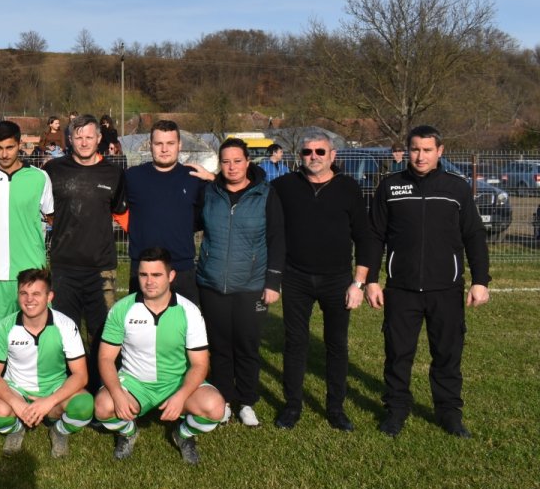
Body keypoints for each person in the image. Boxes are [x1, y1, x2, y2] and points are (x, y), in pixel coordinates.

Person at [362, 125, 490, 438]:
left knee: (447, 355)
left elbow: (473, 235)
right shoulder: (391, 187)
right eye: (415, 149)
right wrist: (372, 281)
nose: (420, 156)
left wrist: (480, 280)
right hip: (401, 290)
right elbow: (374, 236)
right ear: (408, 150)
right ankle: (396, 411)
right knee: (398, 354)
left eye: (427, 150)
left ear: (440, 152)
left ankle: (449, 414)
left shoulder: (456, 188)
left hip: (445, 288)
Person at [270, 130, 374, 432]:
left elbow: (365, 238)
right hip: (295, 277)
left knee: (336, 345)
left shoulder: (349, 188)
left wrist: (358, 283)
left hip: (338, 280)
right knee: (295, 344)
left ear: (332, 156)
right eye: (307, 152)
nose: (313, 157)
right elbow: (248, 187)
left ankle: (336, 408)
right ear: (299, 155)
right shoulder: (284, 186)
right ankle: (292, 407)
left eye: (319, 151)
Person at [94, 248, 226, 465]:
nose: (149, 281)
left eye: (156, 275)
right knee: (102, 407)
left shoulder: (189, 311)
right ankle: (128, 432)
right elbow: (106, 358)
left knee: (215, 408)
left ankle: (183, 435)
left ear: (171, 276)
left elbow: (200, 364)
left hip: (176, 382)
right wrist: (117, 393)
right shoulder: (122, 309)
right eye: (144, 275)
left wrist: (182, 395)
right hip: (135, 384)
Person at [195, 138, 285, 427]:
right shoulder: (209, 193)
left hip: (251, 285)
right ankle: (223, 400)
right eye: (225, 161)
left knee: (246, 345)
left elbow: (277, 239)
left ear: (248, 162)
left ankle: (246, 400)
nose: (231, 166)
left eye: (237, 160)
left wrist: (272, 282)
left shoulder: (265, 194)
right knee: (220, 347)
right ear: (219, 165)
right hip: (212, 284)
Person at [42, 114, 126, 391]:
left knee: (102, 332)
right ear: (69, 139)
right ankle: (70, 388)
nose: (84, 141)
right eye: (78, 137)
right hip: (64, 266)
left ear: (99, 138)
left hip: (101, 267)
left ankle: (102, 387)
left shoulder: (113, 174)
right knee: (66, 331)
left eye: (89, 136)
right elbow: (43, 210)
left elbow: (121, 212)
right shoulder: (53, 170)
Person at [0, 268, 92, 458]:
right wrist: (15, 402)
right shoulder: (5, 327)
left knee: (84, 405)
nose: (29, 300)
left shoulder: (66, 325)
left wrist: (48, 402)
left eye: (36, 293)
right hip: (17, 390)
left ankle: (59, 431)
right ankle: (17, 429)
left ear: (49, 296)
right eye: (24, 293)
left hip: (53, 390)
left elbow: (81, 375)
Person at [0, 120, 54, 345]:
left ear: (20, 145)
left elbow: (51, 215)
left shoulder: (39, 177)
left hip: (30, 269)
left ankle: (33, 379)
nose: (4, 154)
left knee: (36, 333)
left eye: (10, 147)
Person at [123, 120, 212, 302]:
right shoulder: (132, 177)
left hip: (182, 267)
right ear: (150, 145)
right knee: (140, 328)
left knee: (184, 327)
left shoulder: (194, 178)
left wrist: (213, 178)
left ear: (179, 145)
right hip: (143, 267)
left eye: (170, 143)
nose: (164, 149)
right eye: (159, 144)